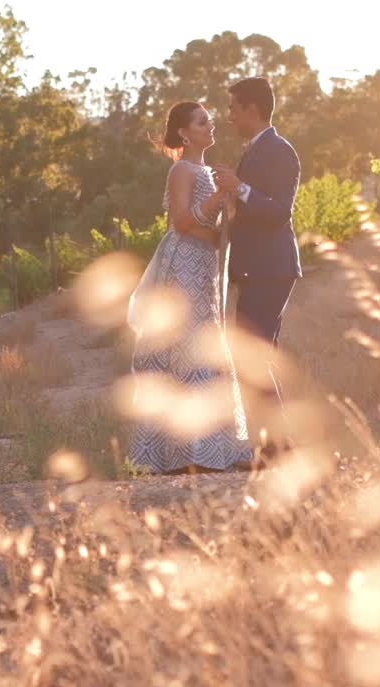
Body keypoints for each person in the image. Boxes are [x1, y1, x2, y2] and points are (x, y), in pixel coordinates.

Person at [126, 101, 254, 475]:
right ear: (184, 132)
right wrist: (218, 201)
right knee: (185, 346)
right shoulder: (182, 170)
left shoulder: (207, 170)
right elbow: (180, 222)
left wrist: (226, 223)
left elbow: (213, 225)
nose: (210, 125)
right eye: (202, 121)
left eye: (210, 120)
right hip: (182, 262)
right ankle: (185, 452)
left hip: (205, 265)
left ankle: (219, 449)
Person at [212, 76, 302, 458]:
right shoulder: (255, 150)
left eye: (233, 108)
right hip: (256, 268)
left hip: (271, 267)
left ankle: (277, 449)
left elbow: (281, 211)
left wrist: (240, 188)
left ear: (251, 109)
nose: (229, 116)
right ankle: (275, 446)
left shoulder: (280, 150)